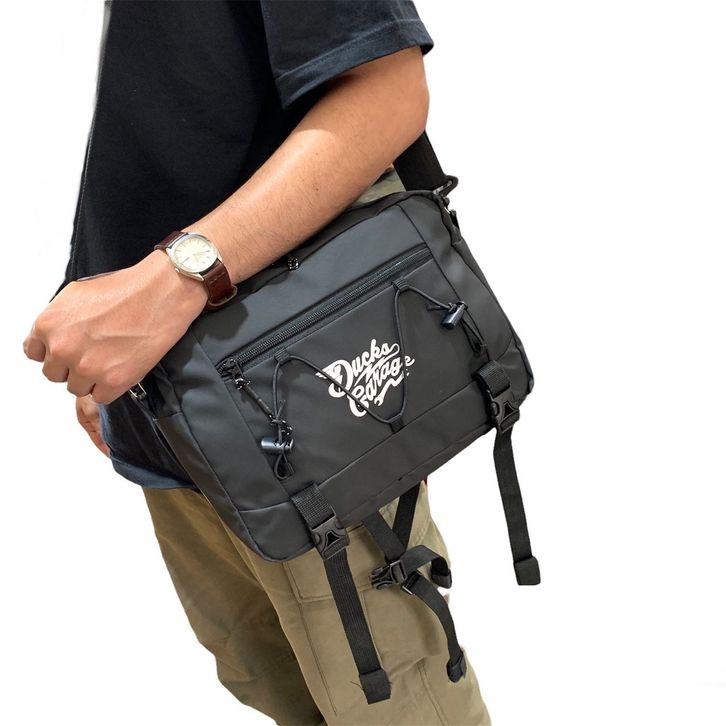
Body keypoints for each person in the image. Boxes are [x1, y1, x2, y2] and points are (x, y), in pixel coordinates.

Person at [24, 2, 490, 723]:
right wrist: (98, 298)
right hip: (175, 409)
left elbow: (387, 92)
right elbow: (171, 106)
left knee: (400, 704)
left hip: (302, 420)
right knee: (276, 689)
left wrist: (169, 283)